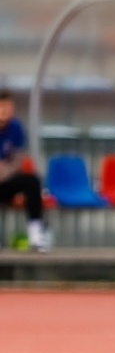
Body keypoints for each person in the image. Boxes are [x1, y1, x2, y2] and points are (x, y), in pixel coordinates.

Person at [0, 90, 49, 251]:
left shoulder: (16, 128)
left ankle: (36, 235)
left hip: (6, 179)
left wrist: (6, 171)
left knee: (32, 181)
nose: (5, 111)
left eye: (8, 107)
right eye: (1, 107)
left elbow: (17, 160)